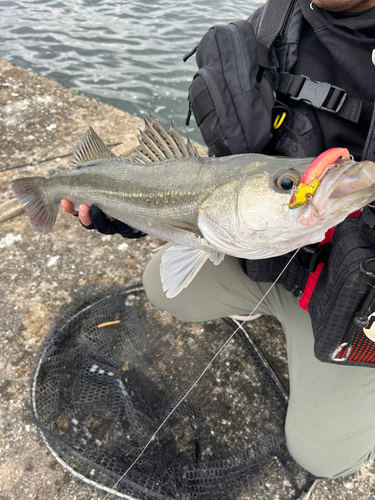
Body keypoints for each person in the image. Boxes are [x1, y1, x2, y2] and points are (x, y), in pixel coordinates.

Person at [62, 0, 375, 480]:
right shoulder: (274, 24)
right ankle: (264, 298)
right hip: (271, 252)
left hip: (353, 301)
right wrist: (129, 214)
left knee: (323, 455)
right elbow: (219, 166)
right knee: (163, 286)